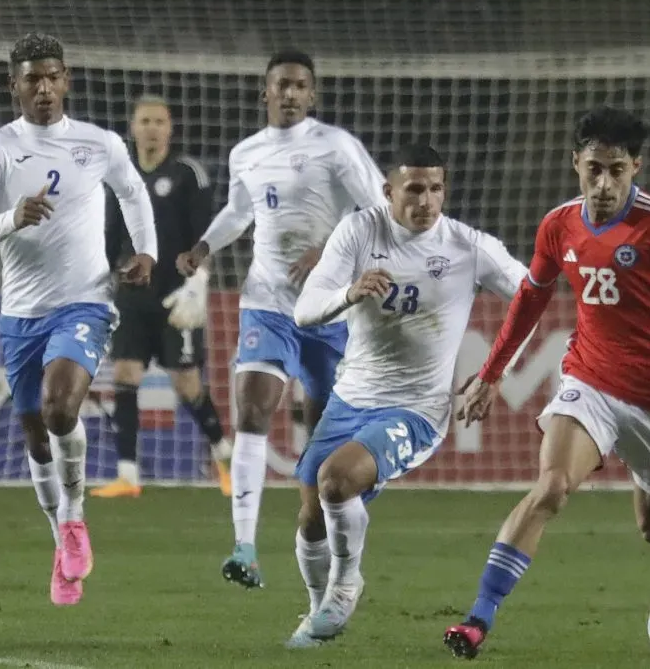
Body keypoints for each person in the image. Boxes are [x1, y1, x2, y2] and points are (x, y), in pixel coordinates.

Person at [442, 106, 650, 659]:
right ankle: (477, 619)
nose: (604, 184)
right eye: (594, 169)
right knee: (551, 488)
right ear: (575, 163)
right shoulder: (558, 224)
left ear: (636, 166)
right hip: (589, 381)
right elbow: (532, 296)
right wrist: (491, 375)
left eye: (617, 169)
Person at [283, 144, 531, 647]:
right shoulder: (359, 231)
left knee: (336, 482)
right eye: (414, 189)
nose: (426, 200)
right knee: (311, 515)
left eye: (435, 188)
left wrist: (493, 372)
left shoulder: (467, 246)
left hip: (417, 408)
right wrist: (348, 294)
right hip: (350, 397)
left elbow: (533, 294)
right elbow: (305, 310)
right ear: (388, 191)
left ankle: (345, 584)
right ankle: (317, 615)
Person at [0, 33, 157, 606]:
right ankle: (60, 541)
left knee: (60, 406)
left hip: (85, 302)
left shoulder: (98, 143)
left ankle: (75, 516)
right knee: (35, 436)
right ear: (12, 85)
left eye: (52, 76)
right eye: (31, 79)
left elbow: (133, 193)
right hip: (21, 313)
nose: (43, 88)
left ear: (66, 79)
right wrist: (11, 218)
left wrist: (146, 252)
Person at [176, 50, 386, 588]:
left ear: (311, 95)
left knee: (323, 444)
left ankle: (327, 550)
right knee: (252, 409)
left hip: (331, 310)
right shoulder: (246, 153)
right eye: (281, 85)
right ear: (264, 93)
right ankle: (243, 546)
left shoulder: (337, 148)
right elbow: (240, 211)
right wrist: (203, 245)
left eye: (299, 86)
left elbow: (381, 213)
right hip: (267, 303)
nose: (290, 94)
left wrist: (329, 252)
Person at [92, 95, 232, 499]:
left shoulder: (189, 174)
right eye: (145, 120)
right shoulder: (119, 177)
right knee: (124, 375)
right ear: (133, 127)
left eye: (159, 121)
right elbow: (110, 237)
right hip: (133, 295)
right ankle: (128, 475)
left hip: (176, 295)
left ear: (170, 129)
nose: (152, 128)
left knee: (187, 384)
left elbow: (203, 235)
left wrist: (198, 284)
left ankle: (225, 457)